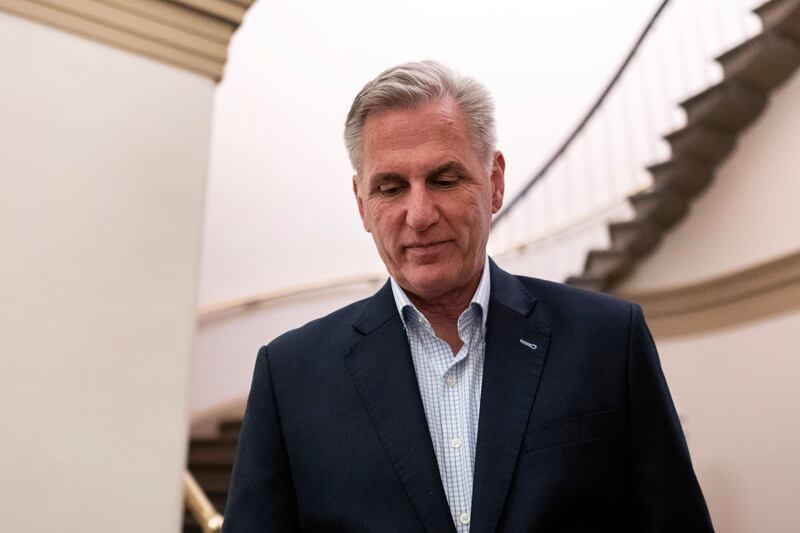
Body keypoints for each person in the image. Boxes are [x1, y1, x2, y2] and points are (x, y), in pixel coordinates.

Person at [222, 60, 713, 532]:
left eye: (444, 179)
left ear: (494, 182)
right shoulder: (290, 377)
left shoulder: (607, 340)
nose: (419, 214)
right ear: (362, 204)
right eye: (391, 187)